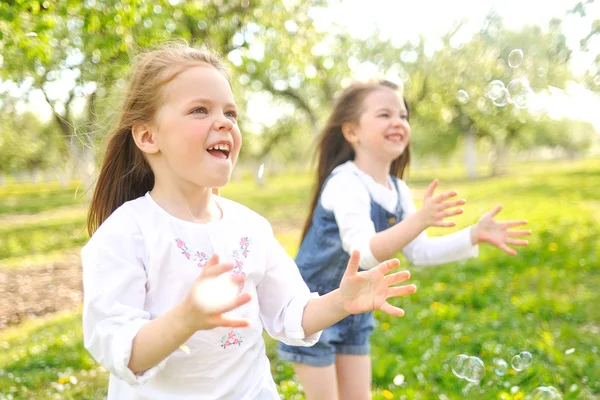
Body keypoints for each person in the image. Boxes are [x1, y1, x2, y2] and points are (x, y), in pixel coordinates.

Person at [81, 44, 418, 400]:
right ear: (148, 136)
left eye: (231, 113)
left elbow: (291, 310)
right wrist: (187, 318)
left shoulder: (250, 226)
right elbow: (121, 351)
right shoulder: (125, 233)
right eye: (199, 110)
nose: (224, 122)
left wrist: (340, 301)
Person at [277, 80, 531, 400]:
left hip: (355, 310)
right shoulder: (346, 182)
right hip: (313, 310)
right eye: (384, 114)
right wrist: (420, 219)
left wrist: (472, 234)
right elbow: (363, 253)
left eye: (403, 115)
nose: (398, 121)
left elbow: (420, 251)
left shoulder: (398, 189)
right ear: (352, 132)